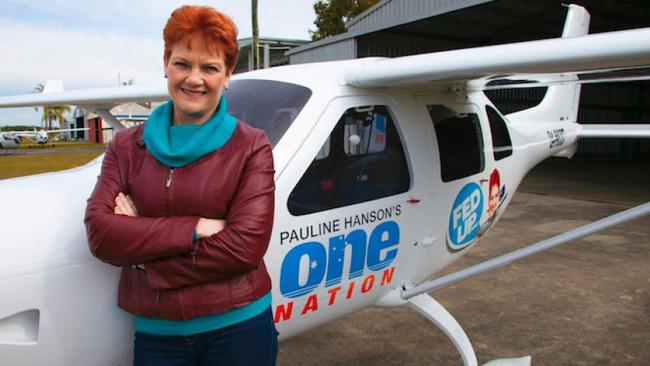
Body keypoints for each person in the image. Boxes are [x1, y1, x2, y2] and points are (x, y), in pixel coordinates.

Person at [84, 5, 277, 365]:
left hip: (238, 326)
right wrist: (195, 229)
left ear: (228, 74)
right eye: (183, 64)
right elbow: (100, 233)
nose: (194, 79)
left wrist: (142, 251)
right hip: (158, 332)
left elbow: (244, 248)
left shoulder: (251, 146)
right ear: (166, 62)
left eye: (210, 68)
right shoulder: (126, 146)